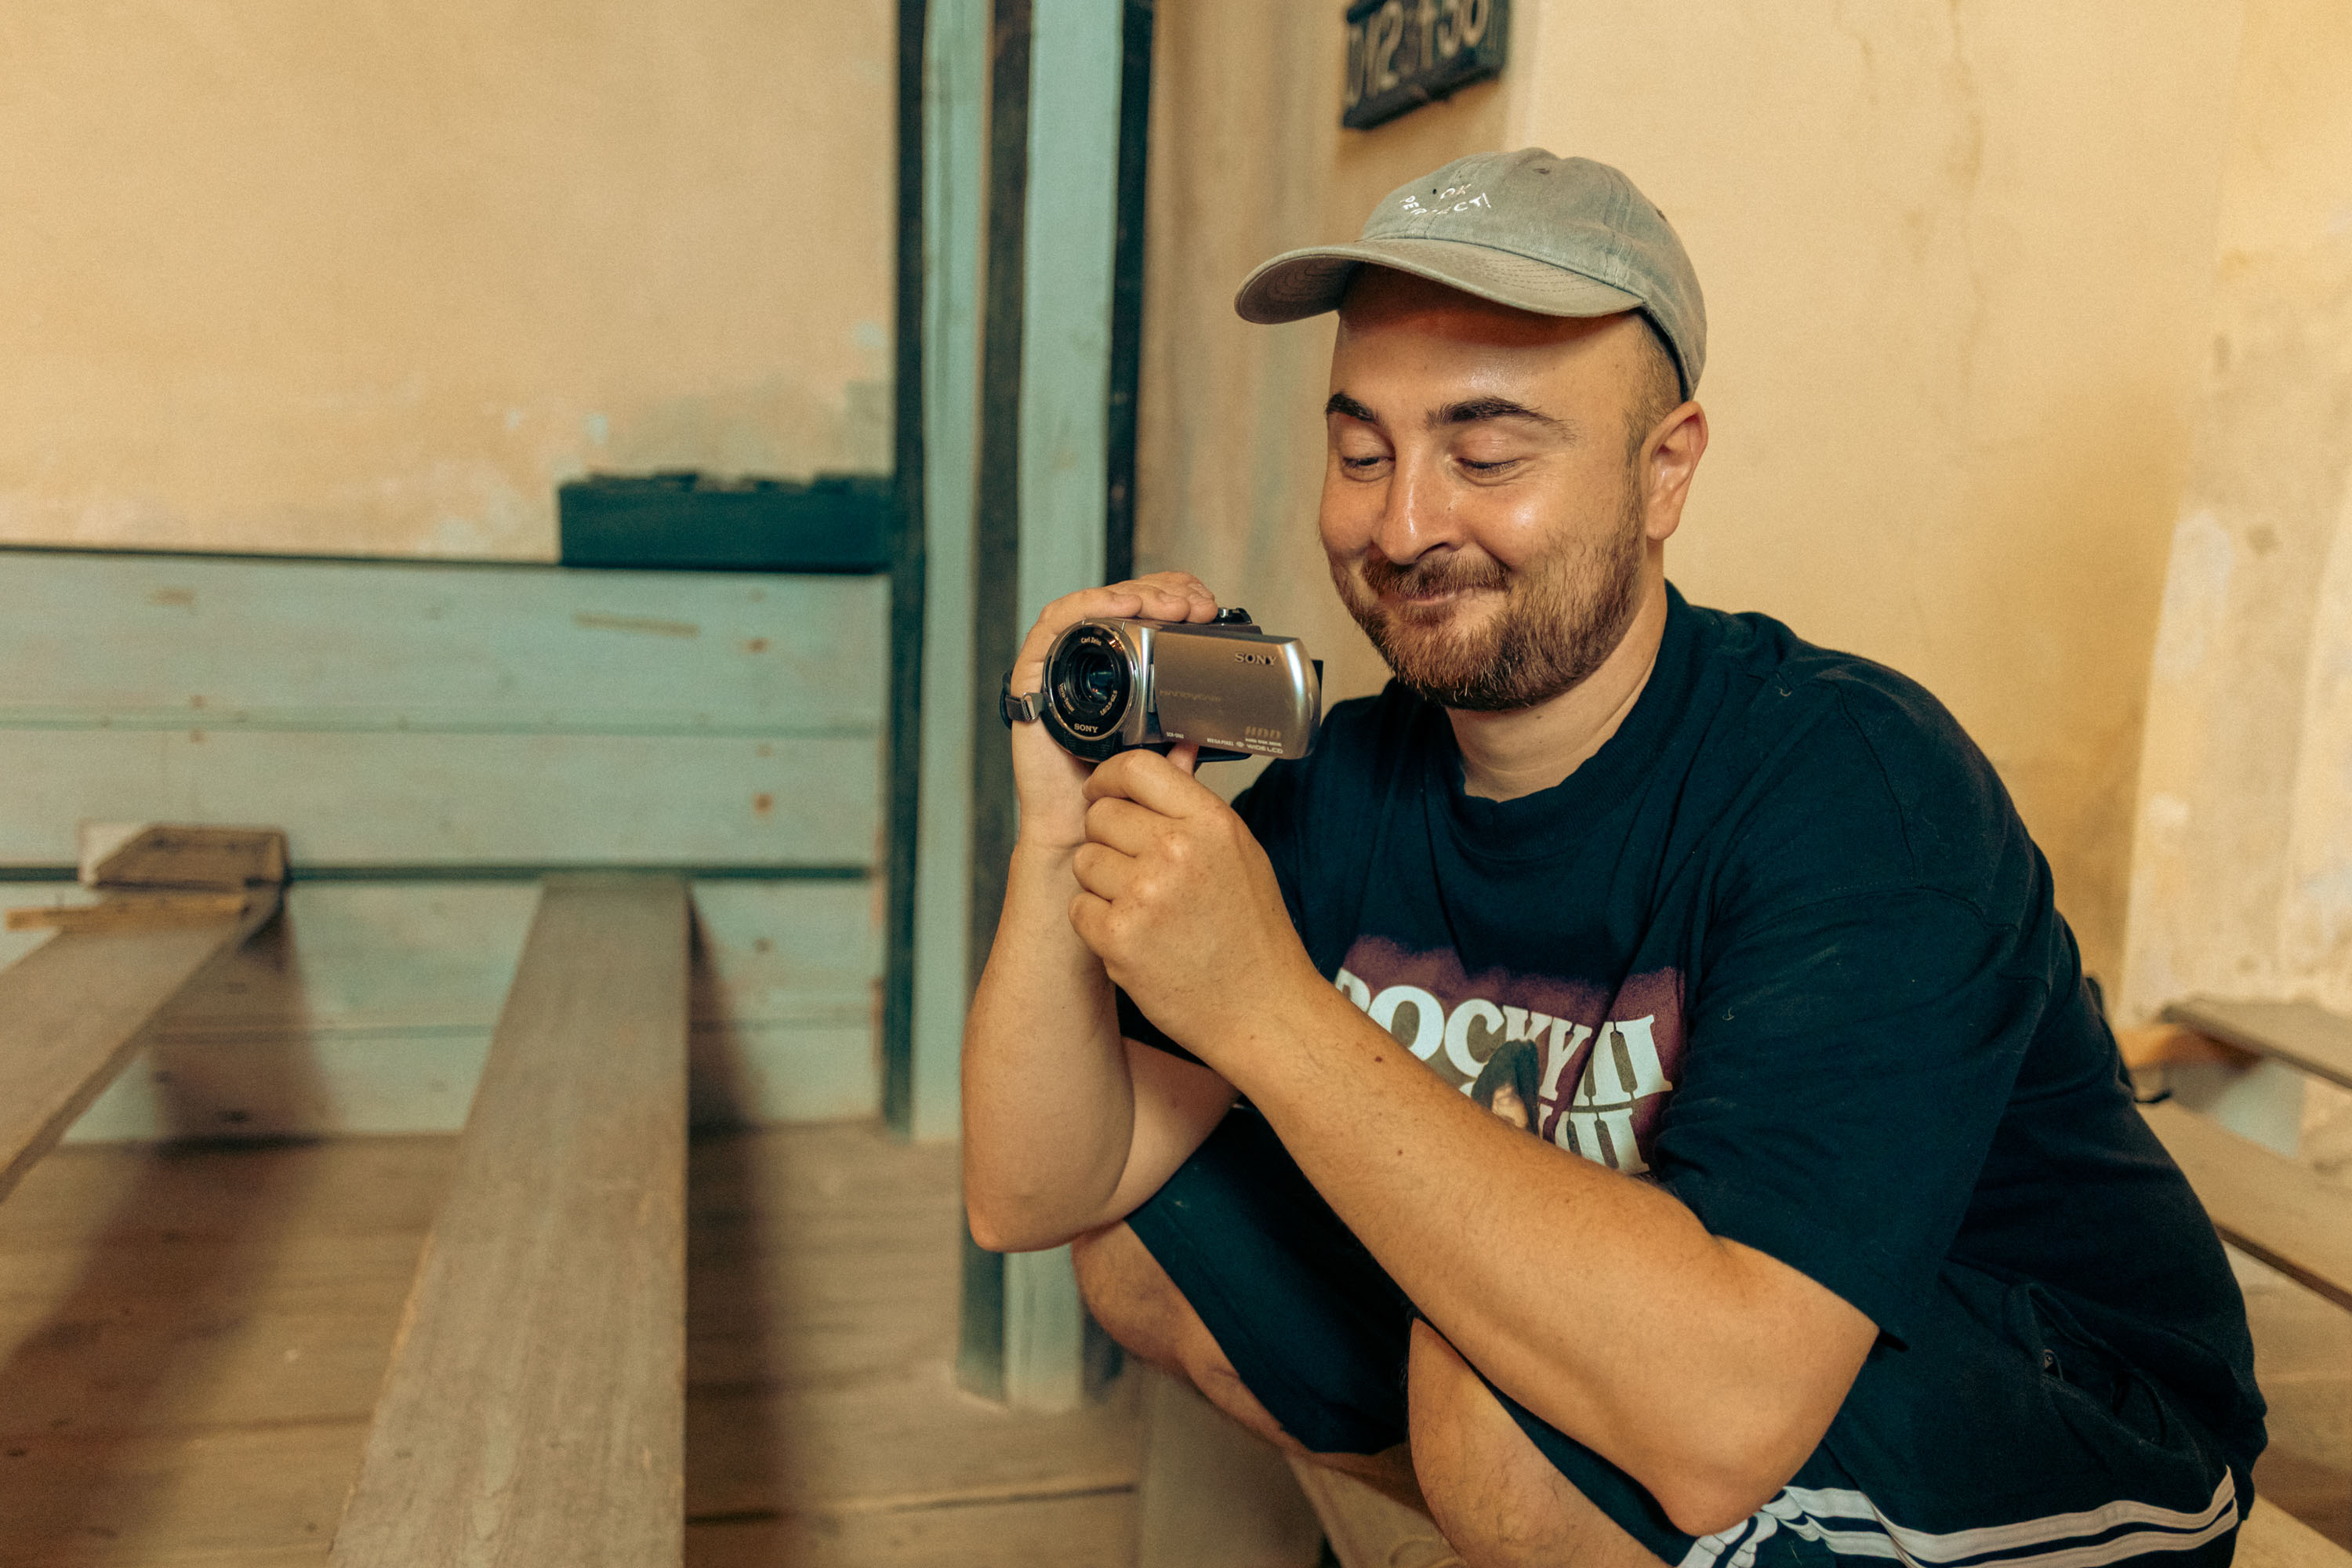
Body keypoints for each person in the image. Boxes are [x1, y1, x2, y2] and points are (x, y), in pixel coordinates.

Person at [960, 149, 2265, 1568]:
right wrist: (1055, 829)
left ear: (1664, 472)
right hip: (1681, 1355)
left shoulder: (1859, 789)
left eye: (1487, 456)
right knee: (1155, 1246)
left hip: (2055, 1404)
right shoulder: (1354, 783)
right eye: (1363, 453)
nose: (1404, 526)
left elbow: (1726, 1411)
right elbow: (1036, 1191)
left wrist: (1266, 1007)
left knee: (1507, 1409)